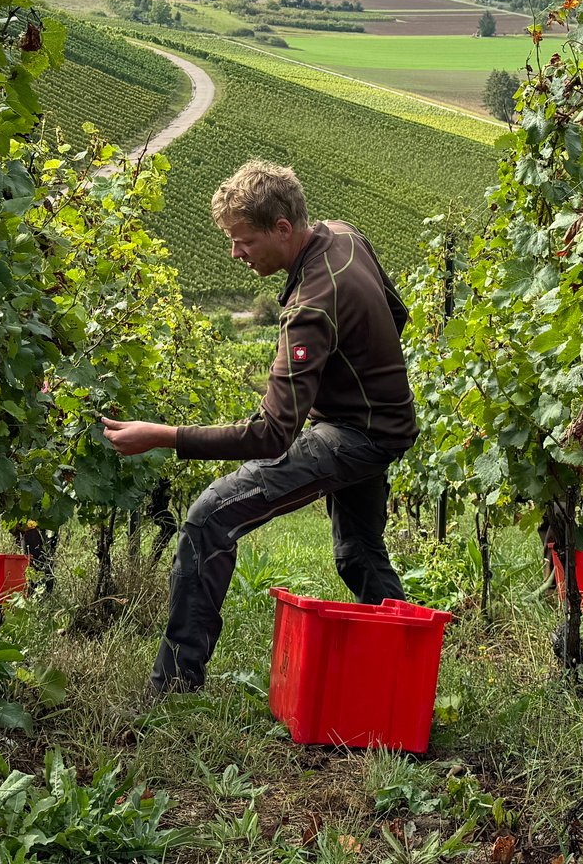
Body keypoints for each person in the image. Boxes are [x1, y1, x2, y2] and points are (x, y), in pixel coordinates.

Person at [102, 160, 418, 696]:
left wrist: (163, 435)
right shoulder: (345, 236)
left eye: (242, 241)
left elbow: (271, 435)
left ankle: (174, 685)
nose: (235, 254)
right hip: (386, 422)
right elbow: (398, 312)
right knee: (356, 552)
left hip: (356, 434)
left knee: (207, 519)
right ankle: (411, 664)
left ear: (282, 229)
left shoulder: (311, 308)